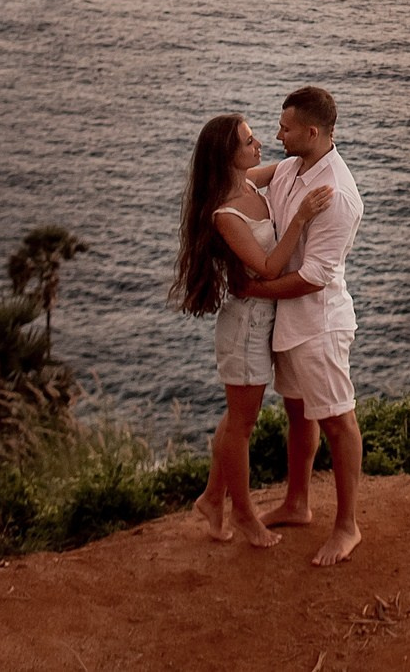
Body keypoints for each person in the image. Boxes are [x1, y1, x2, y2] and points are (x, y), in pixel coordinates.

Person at [170, 113, 333, 546]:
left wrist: (320, 147)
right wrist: (299, 218)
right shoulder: (224, 213)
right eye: (248, 141)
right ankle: (242, 515)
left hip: (265, 322)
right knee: (243, 424)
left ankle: (211, 498)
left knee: (236, 419)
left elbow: (287, 167)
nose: (259, 144)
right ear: (228, 155)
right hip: (244, 327)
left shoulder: (249, 182)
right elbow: (267, 267)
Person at [234, 84, 366, 566]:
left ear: (311, 131)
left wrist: (250, 290)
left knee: (337, 419)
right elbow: (242, 173)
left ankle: (348, 525)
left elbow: (312, 278)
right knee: (298, 414)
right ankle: (297, 503)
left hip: (319, 325)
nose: (277, 135)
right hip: (288, 323)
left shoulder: (338, 195)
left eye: (285, 128)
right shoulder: (292, 167)